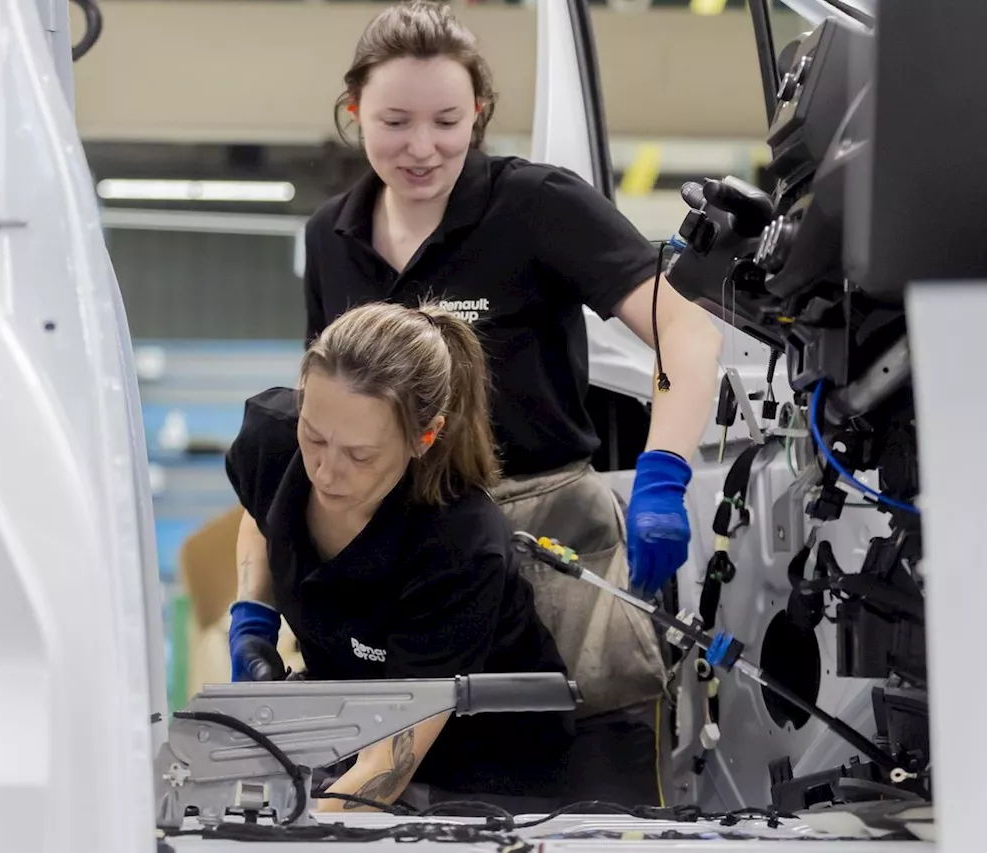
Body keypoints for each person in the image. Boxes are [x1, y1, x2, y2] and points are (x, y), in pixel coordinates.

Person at [297, 0, 724, 806]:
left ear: (481, 114)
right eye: (394, 121)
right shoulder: (331, 236)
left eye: (448, 121)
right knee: (391, 803)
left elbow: (685, 330)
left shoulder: (536, 206)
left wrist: (666, 467)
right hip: (408, 569)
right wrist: (269, 598)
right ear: (353, 113)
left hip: (551, 551)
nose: (422, 147)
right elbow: (319, 413)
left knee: (594, 804)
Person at [225, 300, 575, 813]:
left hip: (485, 773)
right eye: (314, 437)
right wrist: (253, 618)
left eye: (360, 455)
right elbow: (261, 511)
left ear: (423, 438)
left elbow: (385, 769)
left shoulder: (458, 546)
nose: (324, 472)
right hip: (351, 725)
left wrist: (278, 842)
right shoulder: (272, 437)